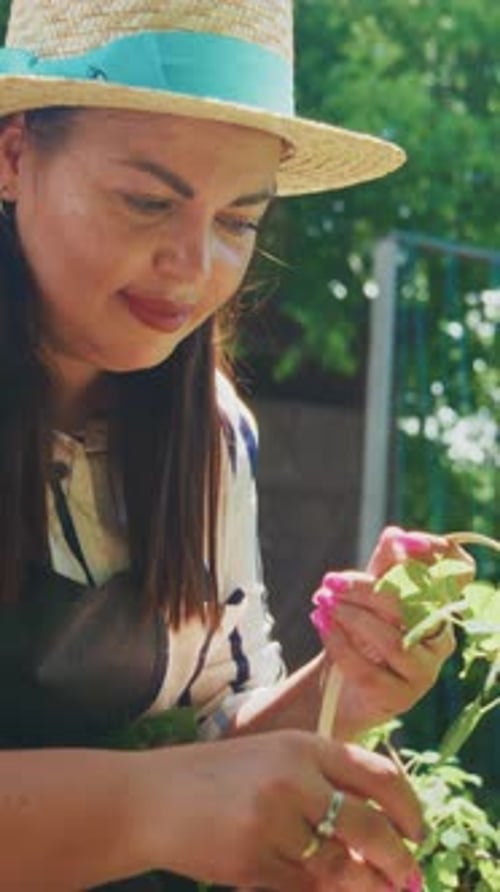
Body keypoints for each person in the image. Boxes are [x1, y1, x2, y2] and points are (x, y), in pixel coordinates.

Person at [0, 1, 470, 890]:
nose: (195, 264)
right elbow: (178, 794)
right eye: (147, 201)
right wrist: (153, 806)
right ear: (15, 156)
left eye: (239, 222)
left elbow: (216, 745)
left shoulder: (212, 433)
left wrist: (348, 686)